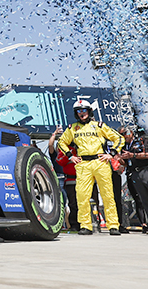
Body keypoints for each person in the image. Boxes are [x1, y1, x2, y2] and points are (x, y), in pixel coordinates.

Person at [57, 99, 124, 235]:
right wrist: (70, 156)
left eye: (84, 110)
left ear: (89, 111)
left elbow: (119, 138)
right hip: (83, 164)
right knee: (82, 196)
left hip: (100, 162)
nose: (82, 113)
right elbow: (61, 142)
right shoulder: (72, 128)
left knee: (107, 194)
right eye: (79, 111)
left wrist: (111, 153)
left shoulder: (99, 125)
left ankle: (113, 225)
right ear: (76, 114)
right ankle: (85, 226)